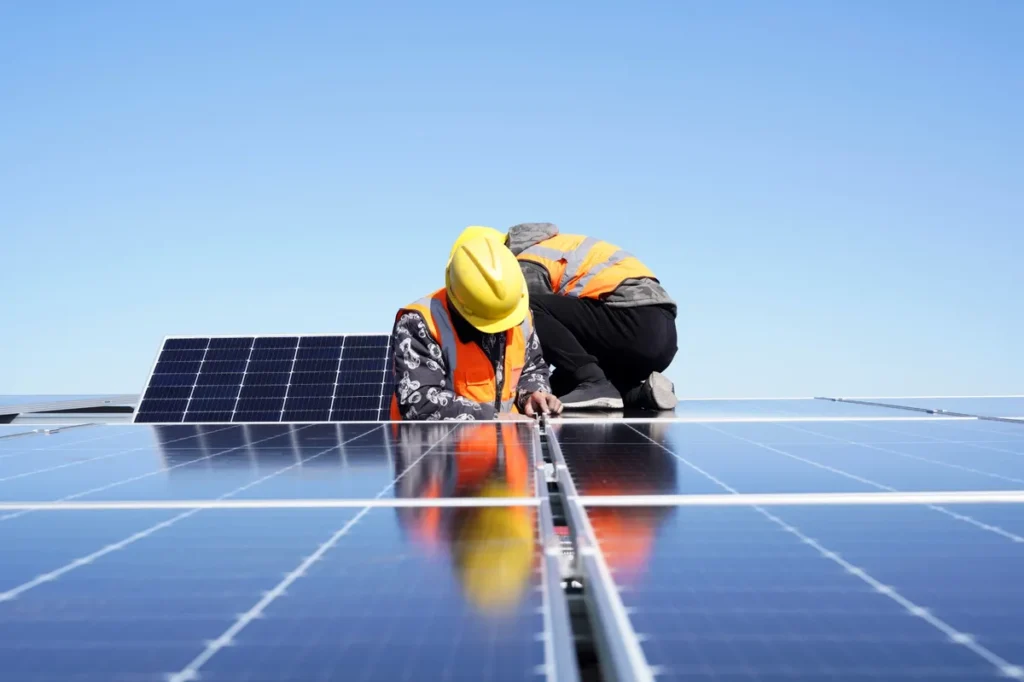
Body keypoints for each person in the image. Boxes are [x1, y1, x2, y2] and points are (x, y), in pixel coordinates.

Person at [389, 227, 563, 421]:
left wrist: (532, 395)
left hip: (507, 445)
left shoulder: (520, 315)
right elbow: (420, 403)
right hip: (436, 448)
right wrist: (494, 418)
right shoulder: (420, 322)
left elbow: (533, 367)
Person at [504, 222, 679, 410]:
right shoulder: (560, 244)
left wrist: (521, 391)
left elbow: (531, 336)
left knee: (527, 306)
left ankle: (593, 380)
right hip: (661, 337)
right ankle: (640, 394)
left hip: (630, 320)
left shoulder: (528, 260)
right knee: (561, 390)